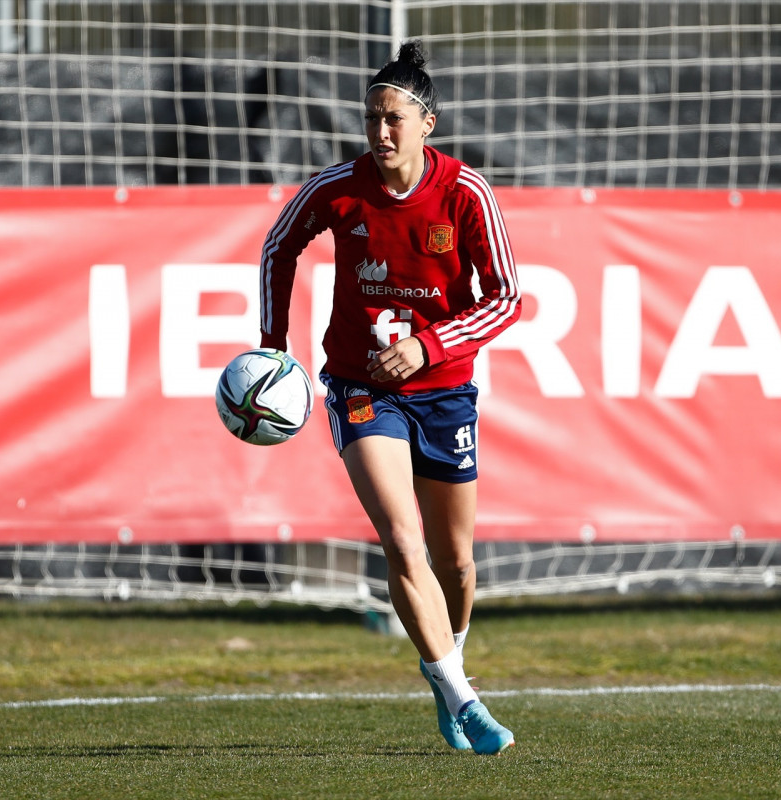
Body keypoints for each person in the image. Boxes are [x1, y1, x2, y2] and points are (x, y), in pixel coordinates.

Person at [258, 40, 522, 754]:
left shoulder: (466, 193)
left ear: (427, 123)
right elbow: (279, 245)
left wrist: (428, 346)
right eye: (371, 118)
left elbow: (507, 299)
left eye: (393, 118)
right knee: (402, 540)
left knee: (456, 563)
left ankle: (446, 665)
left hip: (444, 392)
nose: (380, 132)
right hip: (361, 388)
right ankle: (464, 699)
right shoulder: (338, 188)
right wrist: (274, 345)